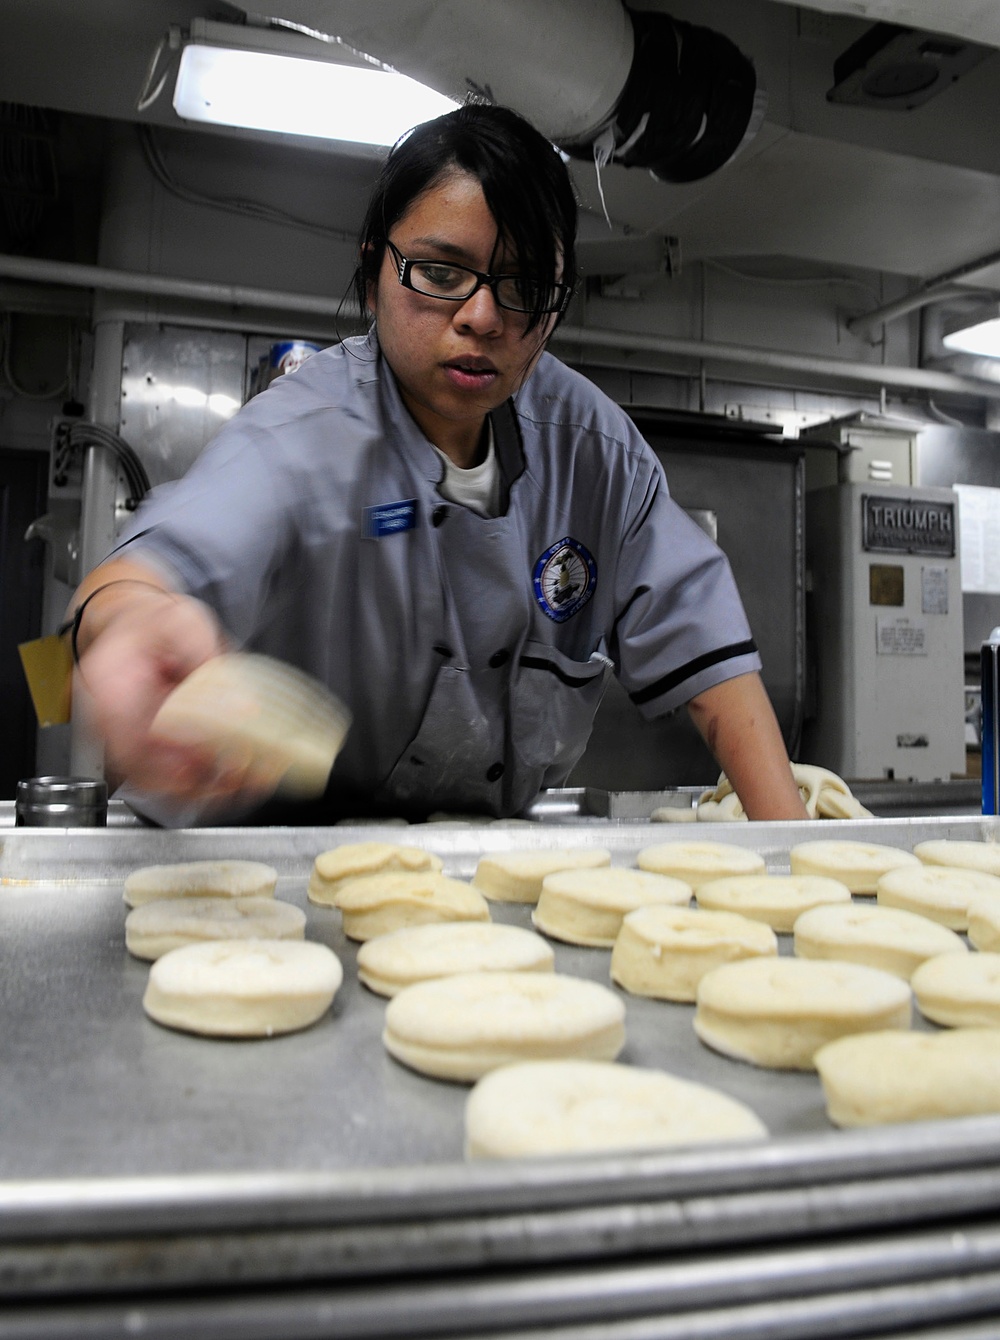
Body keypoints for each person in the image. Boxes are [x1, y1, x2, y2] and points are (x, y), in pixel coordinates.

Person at [65, 102, 808, 826]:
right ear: (373, 275)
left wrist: (794, 860)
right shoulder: (304, 434)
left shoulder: (596, 452)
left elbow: (712, 663)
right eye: (441, 273)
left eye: (523, 288)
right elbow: (158, 568)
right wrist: (129, 626)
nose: (482, 316)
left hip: (476, 866)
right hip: (272, 859)